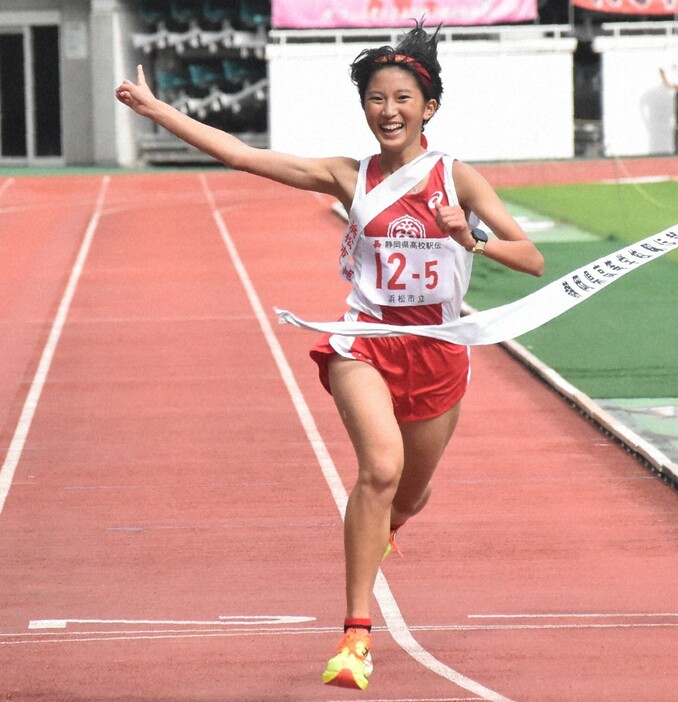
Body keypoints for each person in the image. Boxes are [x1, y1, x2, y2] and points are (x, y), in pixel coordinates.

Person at [115, 21, 544, 691]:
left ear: (428, 107)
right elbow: (238, 155)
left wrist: (472, 238)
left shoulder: (456, 177)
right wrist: (158, 110)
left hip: (439, 352)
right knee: (379, 467)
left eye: (402, 98)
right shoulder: (348, 177)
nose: (388, 111)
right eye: (376, 98)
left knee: (410, 493)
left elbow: (532, 259)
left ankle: (389, 524)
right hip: (363, 342)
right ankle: (354, 636)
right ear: (365, 108)